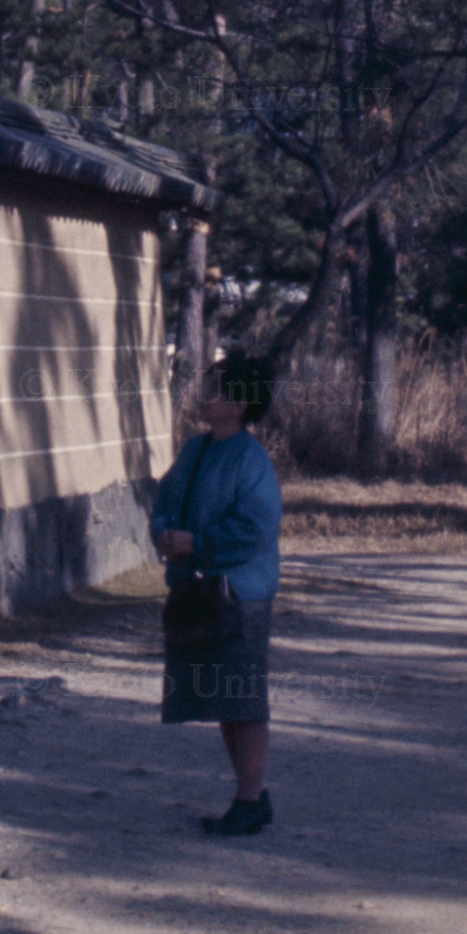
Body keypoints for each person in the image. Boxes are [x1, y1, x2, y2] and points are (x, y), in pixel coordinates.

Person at [153, 356, 285, 835]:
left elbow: (256, 526)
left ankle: (250, 800)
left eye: (216, 389)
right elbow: (165, 500)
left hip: (240, 596)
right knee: (225, 702)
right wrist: (165, 534)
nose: (204, 396)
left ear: (239, 404)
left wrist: (199, 543)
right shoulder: (195, 449)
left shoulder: (252, 461)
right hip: (199, 589)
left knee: (243, 702)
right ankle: (250, 798)